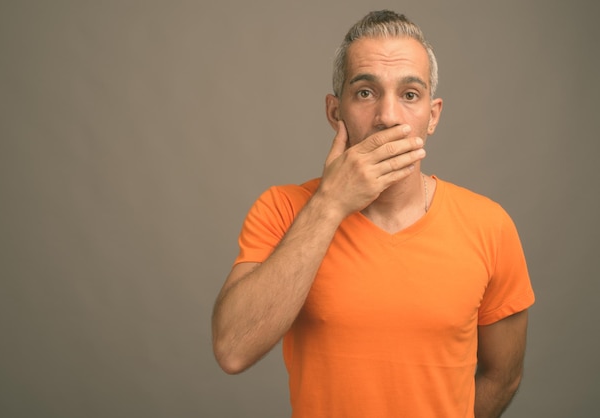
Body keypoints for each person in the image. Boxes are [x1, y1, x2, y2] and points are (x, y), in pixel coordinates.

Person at [212, 10, 535, 418]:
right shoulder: (282, 208)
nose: (388, 117)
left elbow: (503, 375)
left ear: (432, 116)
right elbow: (232, 349)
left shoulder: (490, 226)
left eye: (410, 95)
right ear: (335, 112)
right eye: (365, 92)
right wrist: (330, 203)